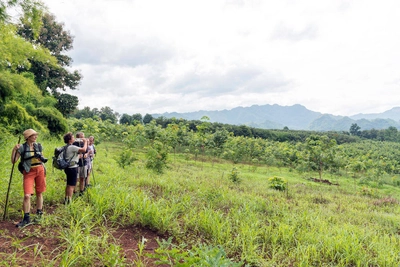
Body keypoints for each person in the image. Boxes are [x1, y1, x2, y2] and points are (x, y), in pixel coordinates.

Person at [11, 129, 47, 227]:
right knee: (27, 195)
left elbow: (42, 158)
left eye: (36, 135)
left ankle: (39, 214)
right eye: (33, 135)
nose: (36, 137)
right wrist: (14, 150)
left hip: (40, 169)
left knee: (39, 192)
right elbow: (14, 161)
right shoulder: (22, 147)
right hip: (28, 171)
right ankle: (26, 218)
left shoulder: (38, 146)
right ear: (28, 137)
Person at [63, 132, 88, 204]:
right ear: (70, 140)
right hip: (72, 168)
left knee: (68, 184)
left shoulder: (66, 147)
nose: (74, 138)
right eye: (73, 137)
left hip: (68, 167)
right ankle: (69, 201)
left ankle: (66, 198)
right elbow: (83, 149)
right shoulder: (72, 147)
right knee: (72, 185)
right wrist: (86, 141)